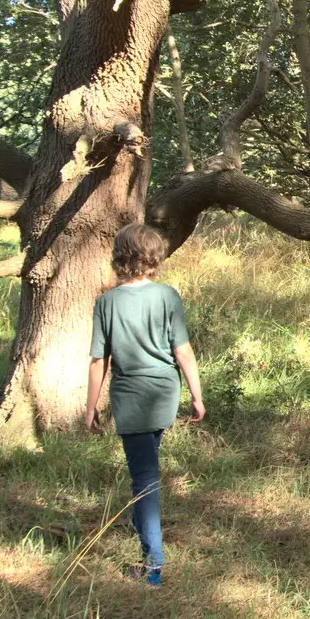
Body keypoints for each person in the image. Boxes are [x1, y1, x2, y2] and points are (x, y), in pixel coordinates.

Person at [84, 223, 205, 587]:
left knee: (145, 482)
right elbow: (182, 350)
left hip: (131, 399)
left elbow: (97, 361)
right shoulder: (167, 296)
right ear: (155, 258)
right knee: (146, 468)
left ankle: (153, 565)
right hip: (165, 394)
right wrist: (196, 395)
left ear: (119, 257)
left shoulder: (106, 302)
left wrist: (90, 407)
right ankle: (142, 524)